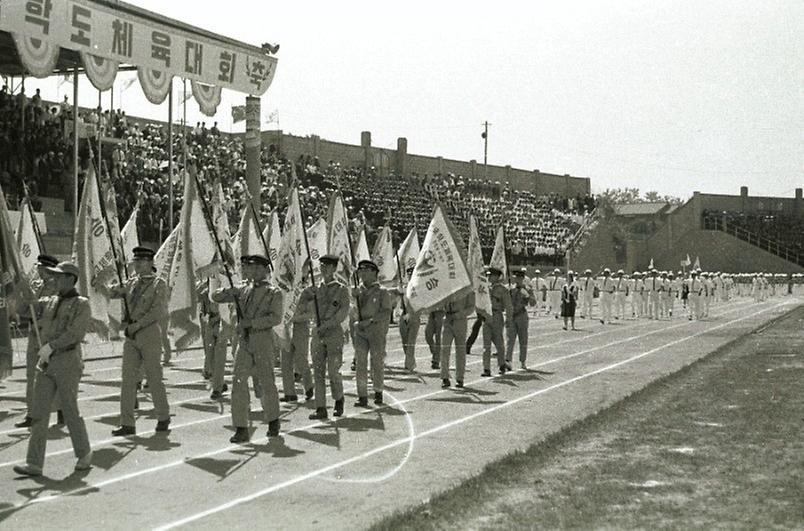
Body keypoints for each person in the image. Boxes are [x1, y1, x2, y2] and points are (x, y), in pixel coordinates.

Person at [13, 262, 93, 476]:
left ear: (70, 279)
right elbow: (24, 309)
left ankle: (84, 453)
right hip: (46, 363)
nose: (54, 280)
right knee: (39, 412)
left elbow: (76, 333)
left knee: (69, 410)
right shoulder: (48, 301)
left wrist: (51, 346)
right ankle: (34, 463)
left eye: (58, 277)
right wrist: (18, 285)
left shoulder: (81, 304)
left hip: (67, 361)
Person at [213, 254, 283, 442]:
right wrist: (230, 290)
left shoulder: (273, 292)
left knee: (266, 382)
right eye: (249, 268)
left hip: (262, 340)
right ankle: (241, 427)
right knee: (238, 382)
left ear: (264, 270)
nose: (251, 271)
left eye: (255, 268)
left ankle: (273, 419)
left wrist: (252, 322)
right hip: (244, 341)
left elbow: (276, 318)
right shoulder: (243, 289)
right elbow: (216, 296)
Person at [109, 246, 171, 436]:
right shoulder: (131, 283)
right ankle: (127, 423)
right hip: (131, 334)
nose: (137, 265)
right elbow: (112, 292)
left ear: (151, 263)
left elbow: (157, 311)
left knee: (153, 378)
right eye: (135, 261)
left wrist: (136, 326)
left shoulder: (158, 284)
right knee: (128, 379)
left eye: (141, 261)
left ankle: (163, 416)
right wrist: (105, 283)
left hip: (148, 332)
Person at [15, 254, 62, 429]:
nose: (39, 271)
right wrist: (22, 301)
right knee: (31, 376)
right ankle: (31, 413)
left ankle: (61, 408)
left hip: (50, 337)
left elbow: (53, 310)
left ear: (50, 270)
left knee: (53, 375)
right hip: (34, 336)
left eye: (42, 268)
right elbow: (26, 311)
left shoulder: (58, 288)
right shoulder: (35, 286)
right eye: (39, 268)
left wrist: (32, 302)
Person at [308, 255, 350, 420]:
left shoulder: (341, 289)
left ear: (334, 268)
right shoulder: (314, 289)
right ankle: (320, 407)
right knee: (317, 372)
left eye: (327, 266)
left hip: (333, 334)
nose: (323, 268)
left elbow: (342, 313)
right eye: (321, 265)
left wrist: (326, 324)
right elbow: (306, 306)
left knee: (333, 371)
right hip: (318, 334)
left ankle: (338, 399)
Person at [353, 260, 395, 406]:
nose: (361, 274)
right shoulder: (357, 291)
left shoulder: (382, 291)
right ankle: (362, 395)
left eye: (365, 271)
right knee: (360, 363)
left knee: (377, 362)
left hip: (375, 330)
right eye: (360, 271)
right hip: (360, 330)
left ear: (373, 272)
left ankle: (378, 392)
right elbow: (352, 310)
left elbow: (386, 312)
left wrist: (370, 321)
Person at [281, 265, 314, 403]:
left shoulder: (308, 292)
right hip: (286, 328)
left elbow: (310, 314)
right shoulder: (284, 290)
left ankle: (308, 386)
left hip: (300, 328)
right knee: (285, 362)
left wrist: (294, 318)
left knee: (301, 360)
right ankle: (289, 392)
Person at [440, 290, 475, 388]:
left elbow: (471, 307)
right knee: (445, 349)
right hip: (448, 319)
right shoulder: (449, 286)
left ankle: (460, 378)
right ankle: (445, 377)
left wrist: (460, 314)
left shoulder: (467, 288)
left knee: (460, 351)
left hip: (460, 321)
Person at [482, 267, 512, 376]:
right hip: (486, 316)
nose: (489, 277)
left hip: (497, 316)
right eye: (488, 275)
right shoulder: (485, 288)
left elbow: (508, 305)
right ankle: (486, 369)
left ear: (497, 276)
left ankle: (501, 365)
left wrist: (509, 319)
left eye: (491, 275)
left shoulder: (503, 290)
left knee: (499, 343)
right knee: (486, 346)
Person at [506, 267, 536, 369]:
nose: (517, 279)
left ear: (523, 278)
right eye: (516, 277)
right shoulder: (510, 289)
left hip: (522, 315)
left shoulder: (527, 289)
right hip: (512, 316)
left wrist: (528, 296)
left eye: (519, 277)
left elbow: (533, 303)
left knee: (523, 340)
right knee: (510, 339)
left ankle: (522, 361)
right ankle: (508, 360)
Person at [398, 266, 420, 372]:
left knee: (411, 341)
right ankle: (410, 361)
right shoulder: (404, 286)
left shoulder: (419, 286)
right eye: (409, 274)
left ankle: (408, 365)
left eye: (412, 273)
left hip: (414, 315)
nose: (410, 275)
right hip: (403, 314)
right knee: (404, 341)